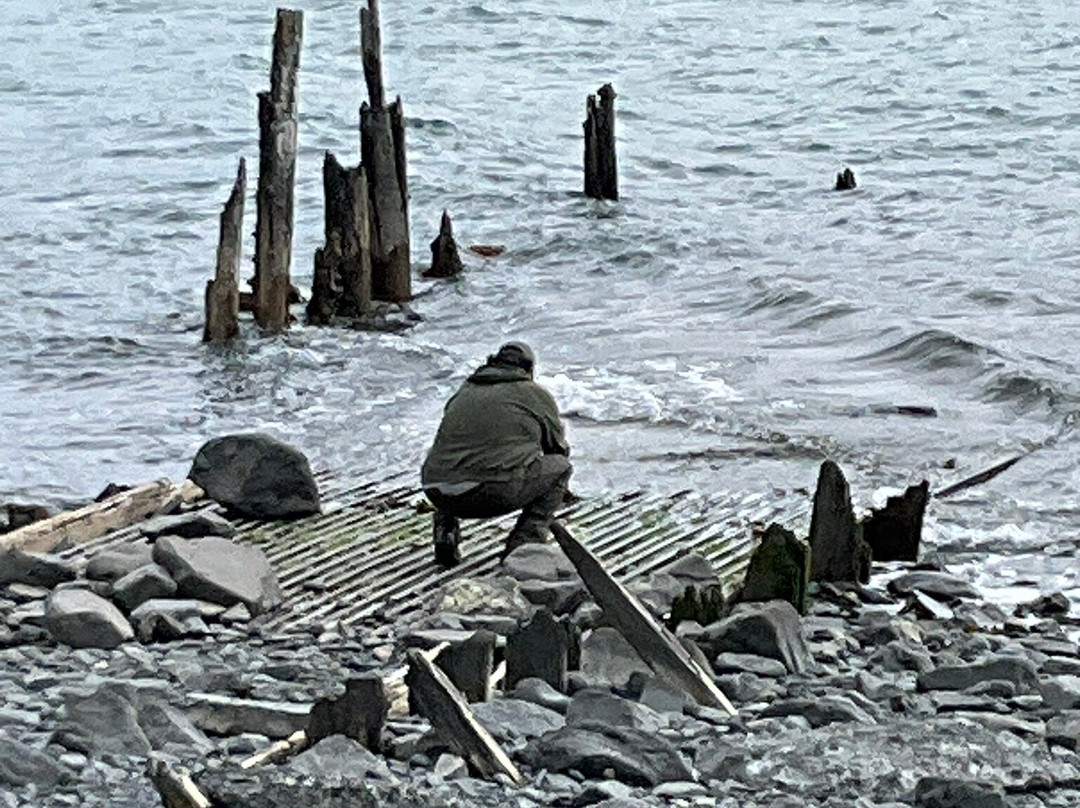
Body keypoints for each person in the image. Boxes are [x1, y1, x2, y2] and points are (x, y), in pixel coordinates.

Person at [421, 342, 572, 566]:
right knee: (561, 467)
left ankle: (445, 532)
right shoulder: (534, 394)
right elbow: (557, 449)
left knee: (454, 460)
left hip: (436, 491)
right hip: (490, 494)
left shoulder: (465, 390)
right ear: (528, 369)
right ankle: (523, 545)